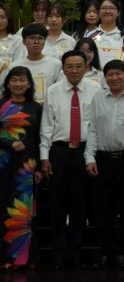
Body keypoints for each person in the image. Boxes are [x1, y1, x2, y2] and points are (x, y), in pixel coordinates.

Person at [39, 50, 100, 268]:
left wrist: (90, 155)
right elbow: (47, 125)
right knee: (57, 204)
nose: (74, 70)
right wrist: (44, 156)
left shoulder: (95, 89)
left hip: (84, 151)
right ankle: (57, 253)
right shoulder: (54, 91)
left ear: (85, 67)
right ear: (63, 68)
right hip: (59, 151)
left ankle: (75, 252)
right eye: (69, 66)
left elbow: (95, 126)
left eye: (78, 66)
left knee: (79, 205)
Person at [85, 59, 124, 269]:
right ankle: (106, 251)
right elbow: (91, 128)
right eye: (110, 74)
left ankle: (123, 251)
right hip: (102, 159)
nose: (114, 78)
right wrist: (89, 157)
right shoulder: (98, 97)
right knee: (101, 208)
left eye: (119, 73)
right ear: (104, 77)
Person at [0, 67, 41, 269]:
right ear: (7, 83)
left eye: (22, 80)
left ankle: (21, 259)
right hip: (2, 164)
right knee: (2, 209)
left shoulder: (36, 107)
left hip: (26, 167)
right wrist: (9, 144)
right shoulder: (1, 105)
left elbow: (40, 138)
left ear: (29, 83)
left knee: (22, 211)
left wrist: (40, 167)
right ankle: (3, 258)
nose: (18, 84)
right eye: (14, 80)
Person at [12, 24, 61, 102]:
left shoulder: (56, 64)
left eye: (40, 38)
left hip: (48, 110)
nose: (36, 42)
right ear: (24, 41)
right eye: (32, 38)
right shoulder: (15, 66)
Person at [92, 0, 124, 66]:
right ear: (98, 12)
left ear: (118, 12)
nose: (107, 11)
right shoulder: (90, 35)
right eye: (104, 8)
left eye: (111, 8)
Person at [0, 3, 23, 73]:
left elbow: (19, 64)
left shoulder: (17, 41)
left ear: (9, 19)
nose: (0, 21)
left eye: (3, 17)